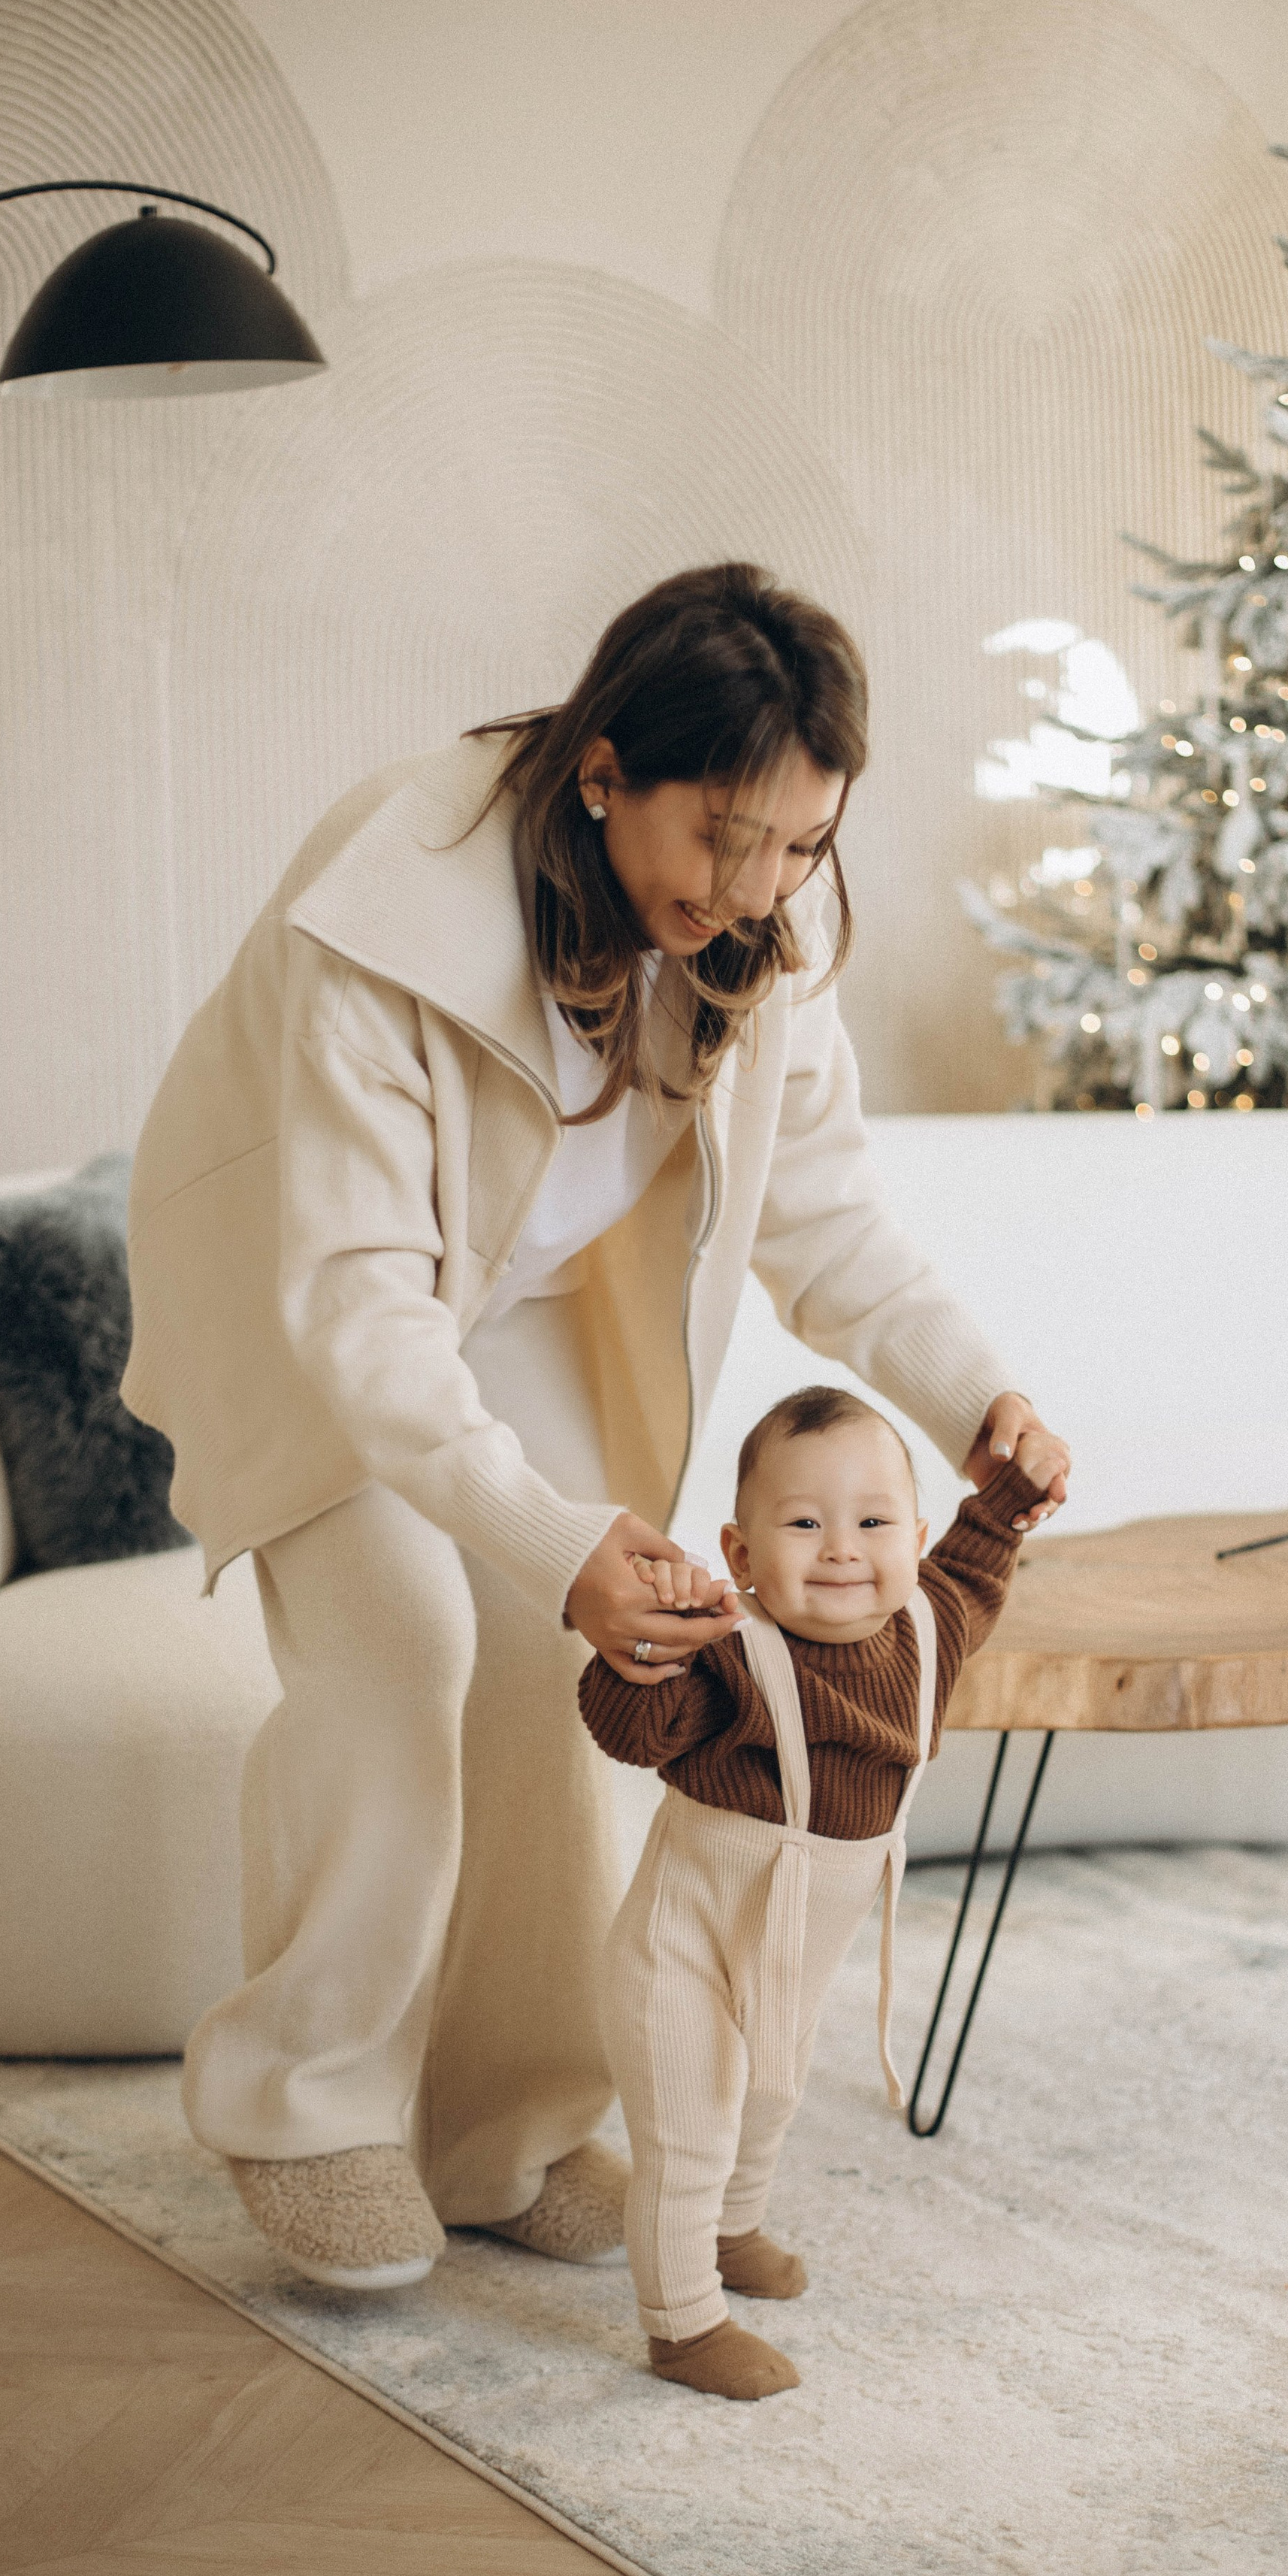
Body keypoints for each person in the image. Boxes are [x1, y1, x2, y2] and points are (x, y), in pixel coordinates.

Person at [122, 562, 1072, 2291]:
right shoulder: (385, 914)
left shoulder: (757, 939)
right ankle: (306, 2101)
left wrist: (975, 1395)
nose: (755, 887)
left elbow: (829, 1222)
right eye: (721, 837)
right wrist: (552, 1547)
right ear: (601, 769)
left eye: (799, 845)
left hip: (531, 1306)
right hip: (315, 1298)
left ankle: (502, 2131)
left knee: (586, 1692)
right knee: (400, 1648)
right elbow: (359, 1312)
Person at [580, 1382, 1064, 2399]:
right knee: (691, 2121)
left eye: (874, 1522)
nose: (843, 1547)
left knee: (774, 2090)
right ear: (744, 1557)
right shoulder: (730, 1661)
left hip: (796, 1943)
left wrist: (1019, 1490)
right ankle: (681, 2324)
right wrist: (643, 1651)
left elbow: (980, 1558)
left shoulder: (932, 1622)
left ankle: (734, 2228)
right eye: (803, 1524)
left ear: (915, 1536)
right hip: (687, 1945)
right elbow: (635, 1734)